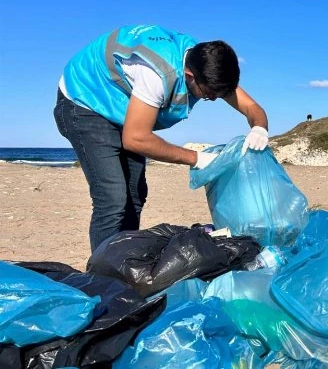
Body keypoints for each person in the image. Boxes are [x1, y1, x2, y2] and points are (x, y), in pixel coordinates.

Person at [54, 24, 270, 252]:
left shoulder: (207, 64)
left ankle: (122, 260)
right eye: (208, 95)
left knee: (135, 195)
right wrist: (196, 158)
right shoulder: (156, 74)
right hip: (84, 100)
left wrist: (259, 128)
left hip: (120, 107)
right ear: (190, 76)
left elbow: (251, 106)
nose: (214, 99)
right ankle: (103, 277)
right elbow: (136, 139)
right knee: (113, 199)